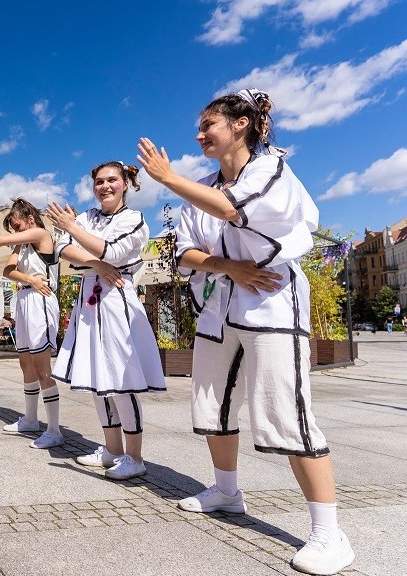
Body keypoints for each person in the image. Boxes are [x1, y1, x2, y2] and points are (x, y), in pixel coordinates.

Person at [138, 88, 354, 574]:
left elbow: (232, 208)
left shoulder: (271, 169)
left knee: (284, 410)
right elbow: (185, 254)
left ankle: (329, 533)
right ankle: (226, 491)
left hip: (273, 300)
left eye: (207, 125)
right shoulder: (199, 189)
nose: (199, 134)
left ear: (240, 124)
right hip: (221, 307)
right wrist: (229, 266)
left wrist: (168, 178)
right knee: (211, 403)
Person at [46, 161, 166, 480]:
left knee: (122, 382)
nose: (105, 186)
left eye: (112, 180)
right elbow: (61, 249)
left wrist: (74, 231)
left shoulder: (135, 219)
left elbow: (113, 252)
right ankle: (112, 449)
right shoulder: (88, 217)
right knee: (100, 380)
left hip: (117, 300)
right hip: (90, 300)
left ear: (126, 183)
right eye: (99, 181)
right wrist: (96, 265)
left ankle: (135, 456)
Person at [0, 198, 62, 449]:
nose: (15, 232)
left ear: (29, 219)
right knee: (26, 363)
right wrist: (29, 277)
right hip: (27, 297)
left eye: (17, 226)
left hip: (41, 301)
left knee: (42, 367)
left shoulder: (40, 233)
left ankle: (54, 430)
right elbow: (7, 271)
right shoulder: (24, 244)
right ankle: (30, 419)